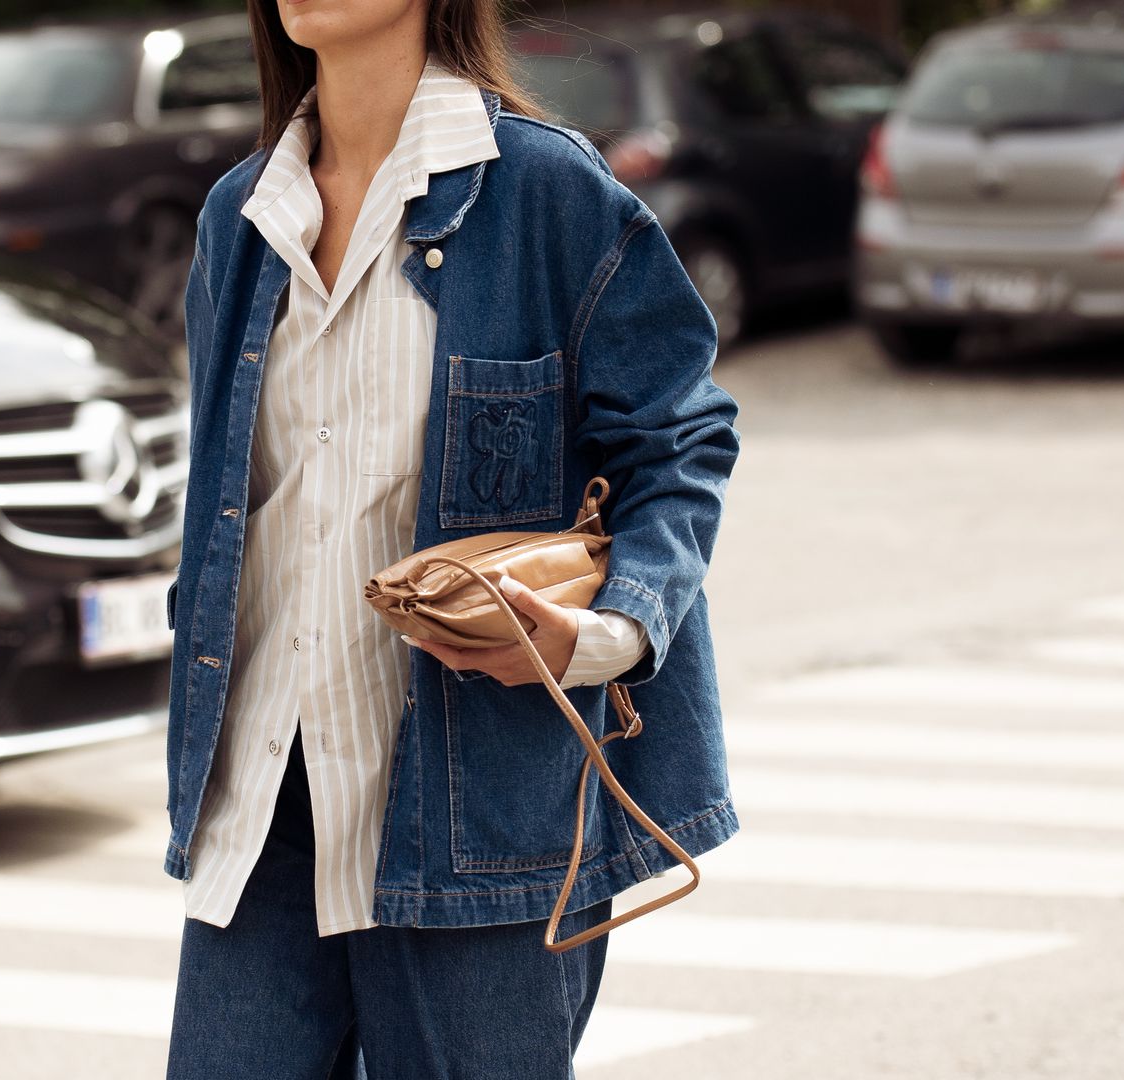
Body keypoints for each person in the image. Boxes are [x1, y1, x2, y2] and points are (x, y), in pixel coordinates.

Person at [160, 0, 740, 1075]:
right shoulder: (241, 217)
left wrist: (598, 638)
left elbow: (678, 440)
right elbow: (228, 513)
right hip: (266, 806)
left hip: (474, 807)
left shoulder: (545, 192)